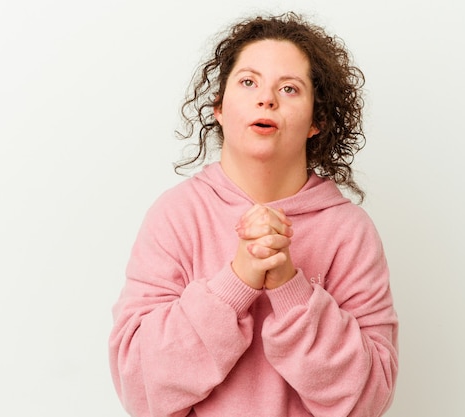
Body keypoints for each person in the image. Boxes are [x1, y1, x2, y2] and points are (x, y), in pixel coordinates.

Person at [109, 11, 398, 417]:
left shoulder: (350, 232)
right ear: (219, 109)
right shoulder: (174, 216)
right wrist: (237, 281)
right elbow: (139, 388)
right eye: (248, 82)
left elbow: (369, 399)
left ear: (317, 121)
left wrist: (290, 289)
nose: (267, 99)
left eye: (290, 89)